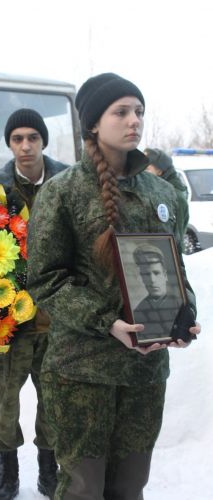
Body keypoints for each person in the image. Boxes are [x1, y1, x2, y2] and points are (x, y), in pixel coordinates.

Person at [26, 73, 200, 500]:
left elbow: (175, 267)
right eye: (120, 112)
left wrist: (183, 313)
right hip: (82, 371)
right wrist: (107, 322)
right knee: (84, 488)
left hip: (144, 372)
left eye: (139, 111)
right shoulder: (62, 193)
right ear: (92, 123)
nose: (134, 121)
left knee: (129, 486)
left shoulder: (162, 192)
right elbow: (45, 280)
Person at [0, 108, 68, 500]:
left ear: (42, 141)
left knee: (53, 400)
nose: (25, 146)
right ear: (10, 143)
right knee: (3, 400)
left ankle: (48, 472)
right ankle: (7, 475)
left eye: (32, 137)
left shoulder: (66, 181)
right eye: (17, 138)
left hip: (55, 317)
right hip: (7, 320)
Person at [132, 244, 182, 342]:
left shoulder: (180, 304)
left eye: (156, 273)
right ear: (142, 277)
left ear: (165, 275)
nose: (152, 280)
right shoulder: (137, 313)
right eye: (146, 274)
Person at [144, 148, 189, 243]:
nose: (142, 173)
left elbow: (176, 240)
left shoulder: (175, 196)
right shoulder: (150, 190)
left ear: (160, 171)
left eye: (147, 169)